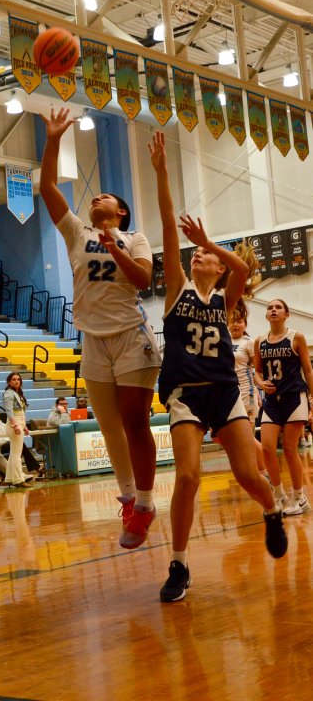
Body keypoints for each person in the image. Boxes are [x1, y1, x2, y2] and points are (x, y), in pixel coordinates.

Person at [149, 129, 287, 603]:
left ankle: (271, 510)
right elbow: (169, 228)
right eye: (198, 253)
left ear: (217, 267)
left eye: (207, 254)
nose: (200, 255)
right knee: (188, 476)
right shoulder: (177, 290)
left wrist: (209, 239)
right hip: (186, 393)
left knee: (248, 475)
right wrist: (161, 172)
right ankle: (179, 563)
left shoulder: (225, 299)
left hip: (225, 393)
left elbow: (243, 272)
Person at [39, 108, 161, 547]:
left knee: (135, 422)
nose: (96, 199)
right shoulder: (76, 231)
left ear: (121, 211)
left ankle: (145, 503)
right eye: (93, 198)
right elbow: (48, 187)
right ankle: (129, 499)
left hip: (131, 335)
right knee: (109, 427)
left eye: (104, 197)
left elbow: (143, 280)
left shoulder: (135, 237)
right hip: (92, 338)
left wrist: (116, 248)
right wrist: (54, 139)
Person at [254, 299, 313, 515]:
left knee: (289, 449)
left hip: (294, 398)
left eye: (278, 307)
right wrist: (261, 384)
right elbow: (257, 372)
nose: (273, 310)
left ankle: (300, 498)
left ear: (286, 314)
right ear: (266, 315)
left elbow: (308, 370)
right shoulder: (259, 342)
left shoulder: (297, 338)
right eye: (270, 307)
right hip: (272, 401)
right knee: (267, 448)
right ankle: (279, 495)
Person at [229, 302, 266, 476]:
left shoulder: (249, 343)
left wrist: (257, 392)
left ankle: (264, 473)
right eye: (233, 321)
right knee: (237, 438)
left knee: (248, 437)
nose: (235, 324)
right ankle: (253, 472)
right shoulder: (223, 341)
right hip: (229, 394)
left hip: (246, 393)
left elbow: (258, 369)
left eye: (239, 321)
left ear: (245, 324)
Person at [0, 408, 43, 477]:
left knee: (20, 445)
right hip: (0, 449)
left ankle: (22, 472)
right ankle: (35, 468)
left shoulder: (2, 425)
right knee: (19, 445)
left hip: (10, 444)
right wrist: (9, 440)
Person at [2, 373, 35, 489]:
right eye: (13, 379)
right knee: (17, 454)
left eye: (18, 379)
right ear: (9, 382)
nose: (16, 381)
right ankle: (18, 480)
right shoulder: (9, 394)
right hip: (14, 425)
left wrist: (24, 425)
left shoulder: (17, 393)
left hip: (19, 423)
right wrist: (15, 425)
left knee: (13, 453)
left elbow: (20, 412)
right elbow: (9, 411)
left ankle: (10, 478)